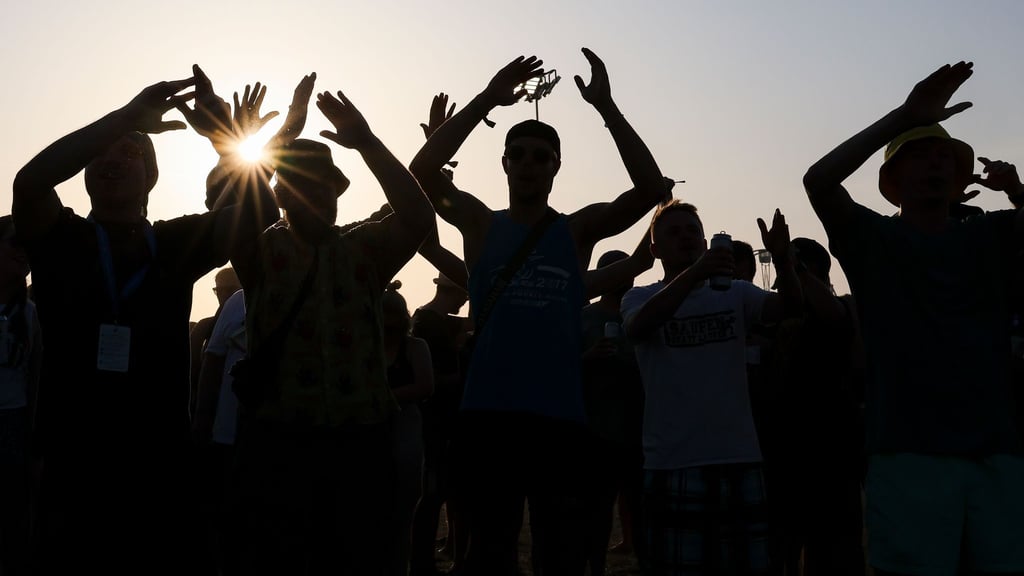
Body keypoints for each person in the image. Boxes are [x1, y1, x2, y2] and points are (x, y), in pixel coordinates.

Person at [410, 49, 667, 576]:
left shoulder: (574, 232)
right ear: (504, 162)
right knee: (487, 555)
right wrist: (488, 98)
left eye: (540, 156)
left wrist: (606, 106)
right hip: (488, 418)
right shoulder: (480, 225)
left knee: (560, 556)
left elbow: (648, 190)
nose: (528, 163)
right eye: (518, 154)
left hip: (559, 419)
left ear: (555, 166)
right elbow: (423, 171)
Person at [13, 65, 272, 575]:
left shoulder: (173, 244)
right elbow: (31, 180)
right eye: (102, 152)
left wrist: (225, 141)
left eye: (131, 151)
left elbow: (260, 211)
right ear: (84, 171)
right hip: (73, 465)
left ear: (153, 177)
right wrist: (126, 119)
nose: (112, 157)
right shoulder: (58, 239)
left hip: (157, 464)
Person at [802, 61, 1024, 576]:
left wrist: (1016, 190)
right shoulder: (872, 239)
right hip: (907, 453)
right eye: (919, 155)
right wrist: (905, 116)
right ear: (890, 180)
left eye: (945, 157)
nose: (936, 165)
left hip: (997, 452)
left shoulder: (989, 235)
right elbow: (819, 180)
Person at [230, 84, 434, 575]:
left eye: (323, 184)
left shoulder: (364, 248)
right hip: (281, 443)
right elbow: (230, 201)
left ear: (338, 191)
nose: (314, 194)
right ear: (278, 194)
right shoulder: (258, 251)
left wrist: (365, 141)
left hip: (359, 443)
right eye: (301, 185)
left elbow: (418, 216)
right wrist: (280, 135)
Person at [622, 202, 801, 576]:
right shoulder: (638, 297)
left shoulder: (736, 292)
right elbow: (638, 328)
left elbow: (789, 307)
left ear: (704, 241)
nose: (684, 237)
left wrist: (784, 262)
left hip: (738, 459)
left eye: (691, 230)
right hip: (672, 461)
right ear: (654, 251)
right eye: (672, 232)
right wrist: (693, 275)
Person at [382, 281, 435, 576]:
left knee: (402, 515)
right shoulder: (370, 344)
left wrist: (386, 398)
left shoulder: (415, 347)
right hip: (374, 431)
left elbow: (426, 386)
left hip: (404, 429)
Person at [0, 216, 41, 576]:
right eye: (15, 243)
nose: (23, 252)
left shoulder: (31, 316)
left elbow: (35, 382)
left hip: (13, 425)